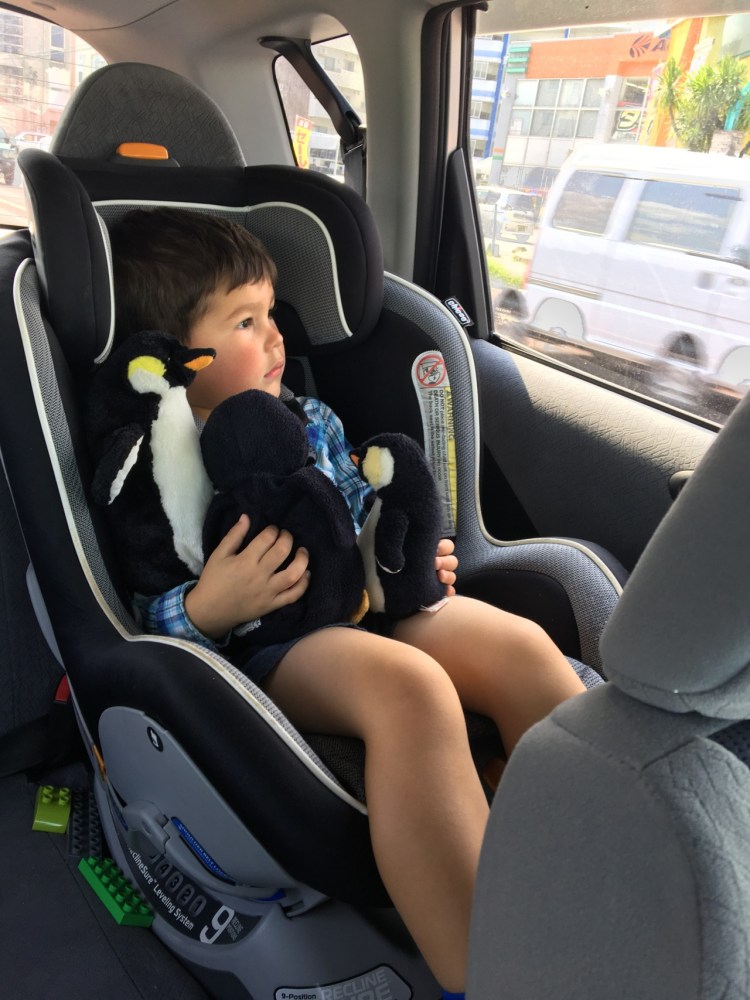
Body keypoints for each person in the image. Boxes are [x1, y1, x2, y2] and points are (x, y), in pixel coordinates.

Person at [110, 206, 589, 995]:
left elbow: (363, 510)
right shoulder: (159, 465)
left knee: (519, 647)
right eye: (246, 322)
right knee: (411, 690)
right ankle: (485, 973)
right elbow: (137, 617)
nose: (276, 338)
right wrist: (205, 609)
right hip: (271, 648)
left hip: (368, 603)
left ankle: (604, 853)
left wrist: (403, 550)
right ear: (176, 351)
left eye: (272, 314)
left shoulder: (310, 417)